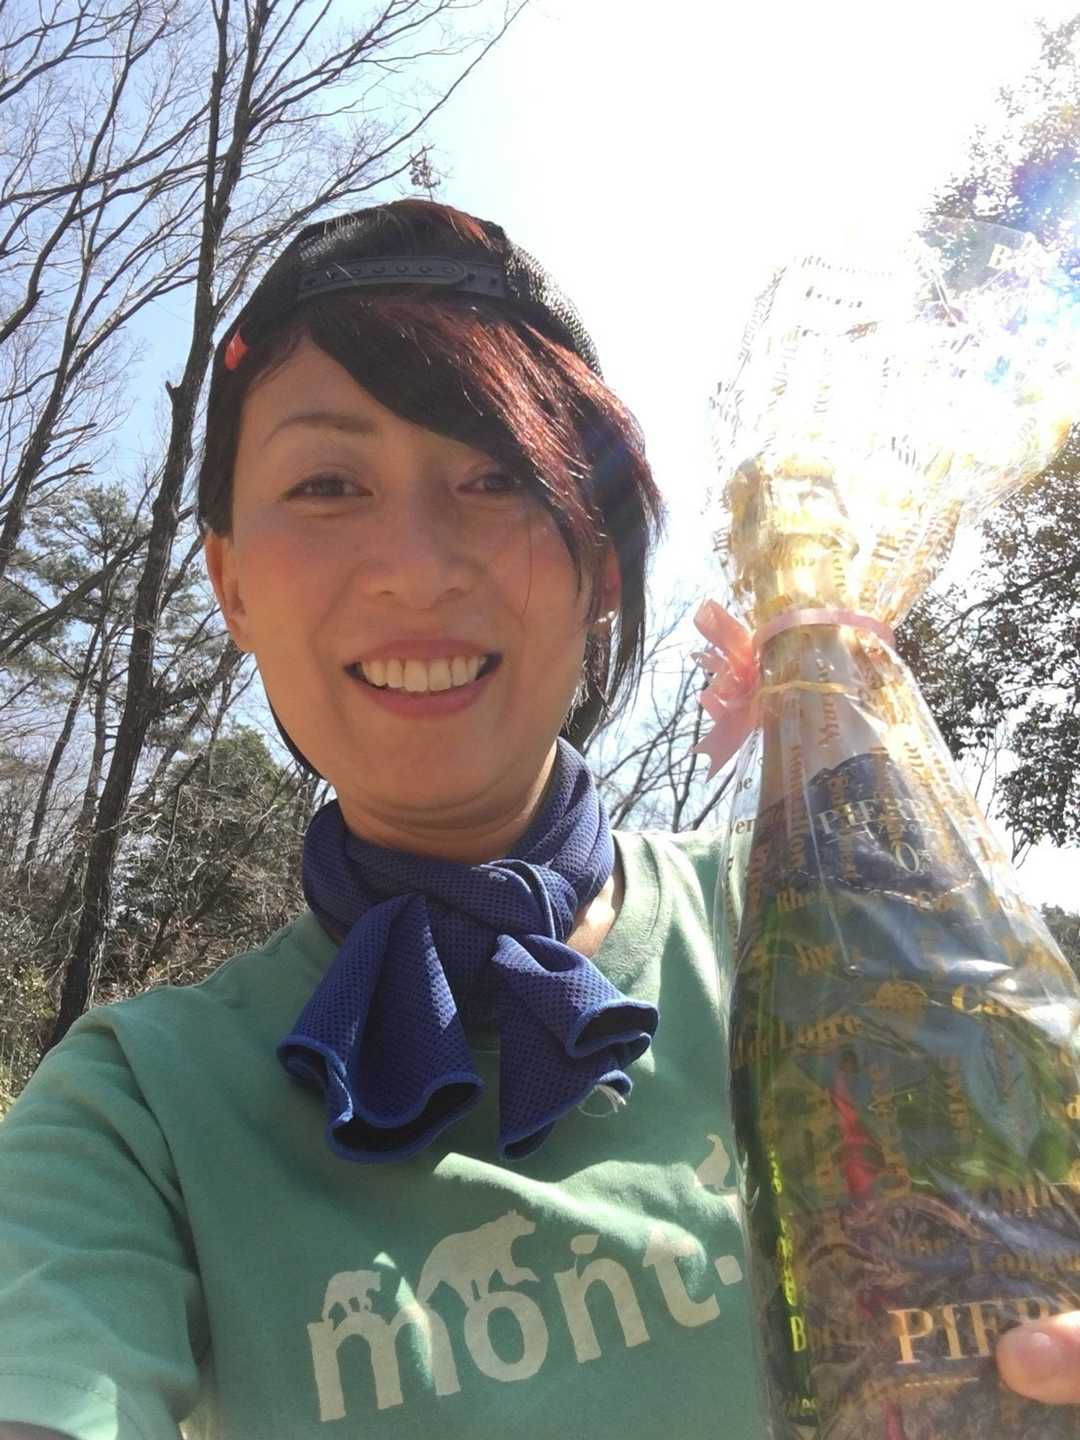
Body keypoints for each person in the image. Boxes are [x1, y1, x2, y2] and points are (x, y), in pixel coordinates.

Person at [0, 199, 1075, 1439]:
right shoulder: (139, 1111)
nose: (417, 566)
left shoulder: (836, 932)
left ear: (602, 567)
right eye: (328, 483)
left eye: (498, 477)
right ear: (229, 579)